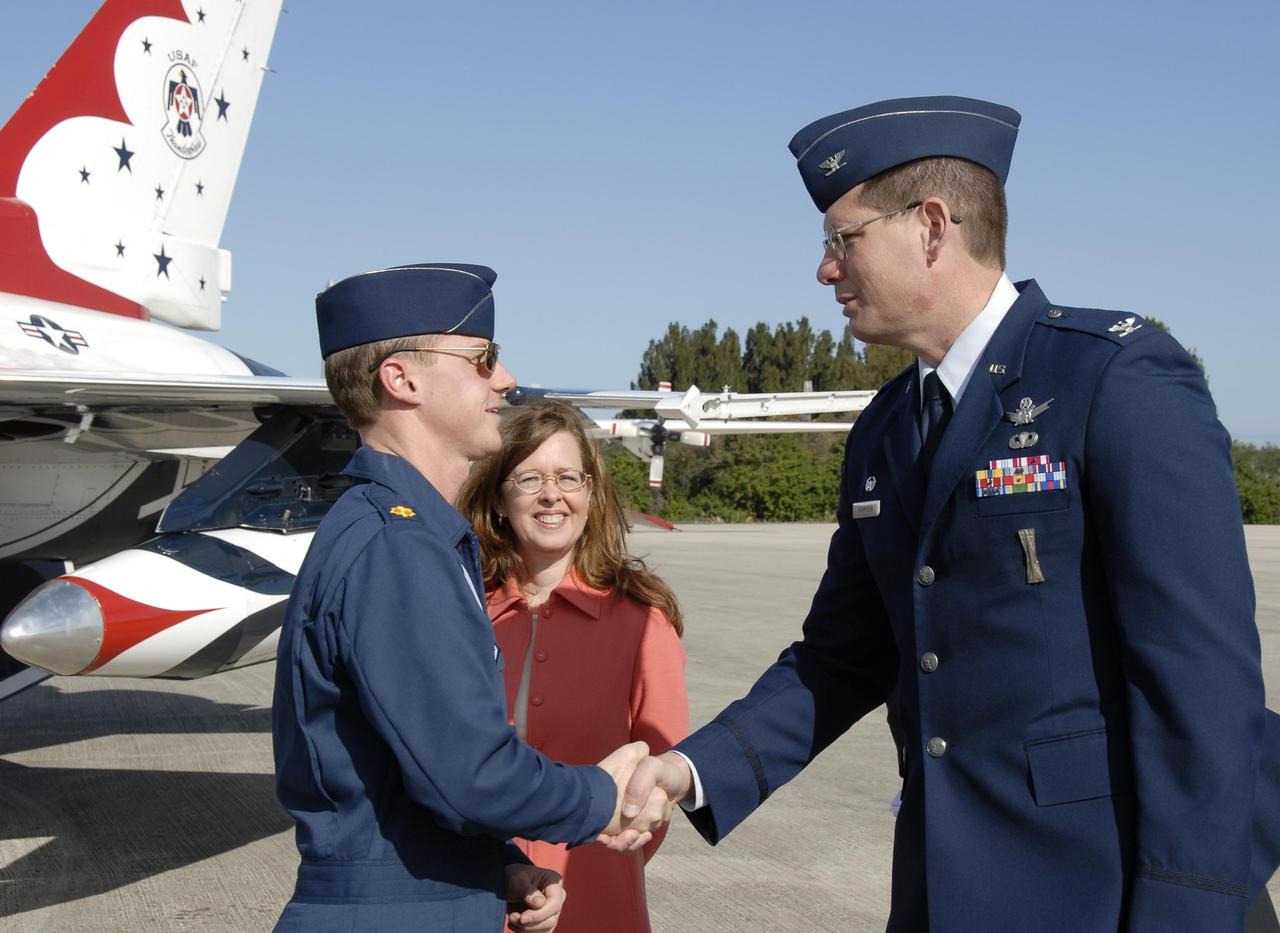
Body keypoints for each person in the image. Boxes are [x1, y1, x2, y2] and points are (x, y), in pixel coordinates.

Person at [615, 97, 1280, 931]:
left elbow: (1201, 684)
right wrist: (690, 769)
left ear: (932, 226)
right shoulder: (887, 430)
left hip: (1109, 892)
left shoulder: (1114, 381)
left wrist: (1190, 911)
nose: (826, 270)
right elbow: (842, 657)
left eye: (840, 240)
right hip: (947, 890)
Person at [271, 264, 662, 932]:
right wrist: (603, 794)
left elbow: (411, 773)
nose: (503, 379)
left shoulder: (413, 534)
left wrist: (497, 864)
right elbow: (470, 770)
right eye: (483, 360)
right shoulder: (395, 546)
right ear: (402, 379)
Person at [458, 400, 689, 933]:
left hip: (598, 896)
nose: (551, 495)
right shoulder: (462, 611)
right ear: (498, 497)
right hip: (477, 895)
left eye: (568, 477)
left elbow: (659, 791)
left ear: (590, 492)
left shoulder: (642, 619)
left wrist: (601, 869)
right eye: (530, 478)